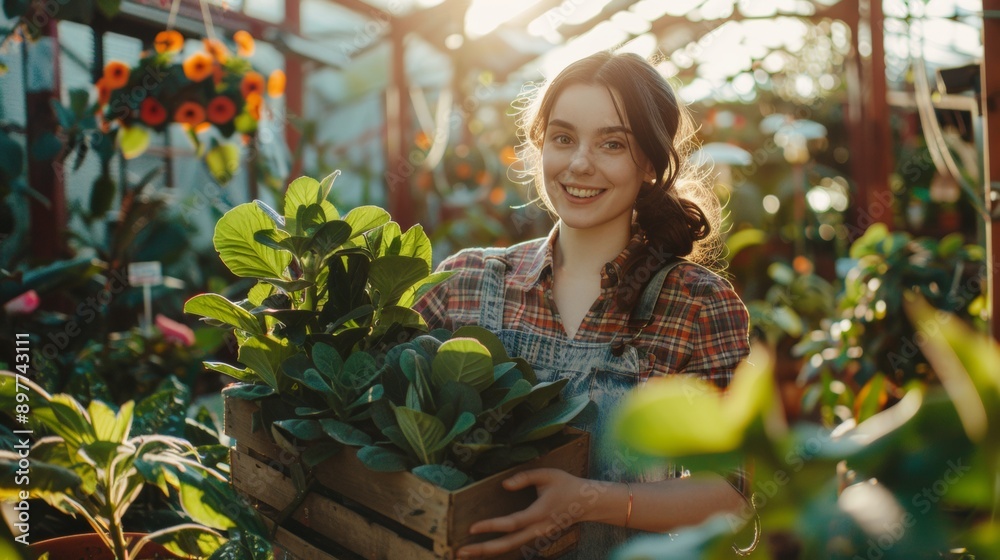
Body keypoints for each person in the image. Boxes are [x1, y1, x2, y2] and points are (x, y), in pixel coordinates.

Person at [414, 51, 754, 559]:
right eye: (564, 138)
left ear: (650, 164)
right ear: (540, 146)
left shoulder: (698, 305)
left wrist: (591, 501)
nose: (579, 163)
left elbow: (729, 498)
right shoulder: (465, 283)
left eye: (611, 143)